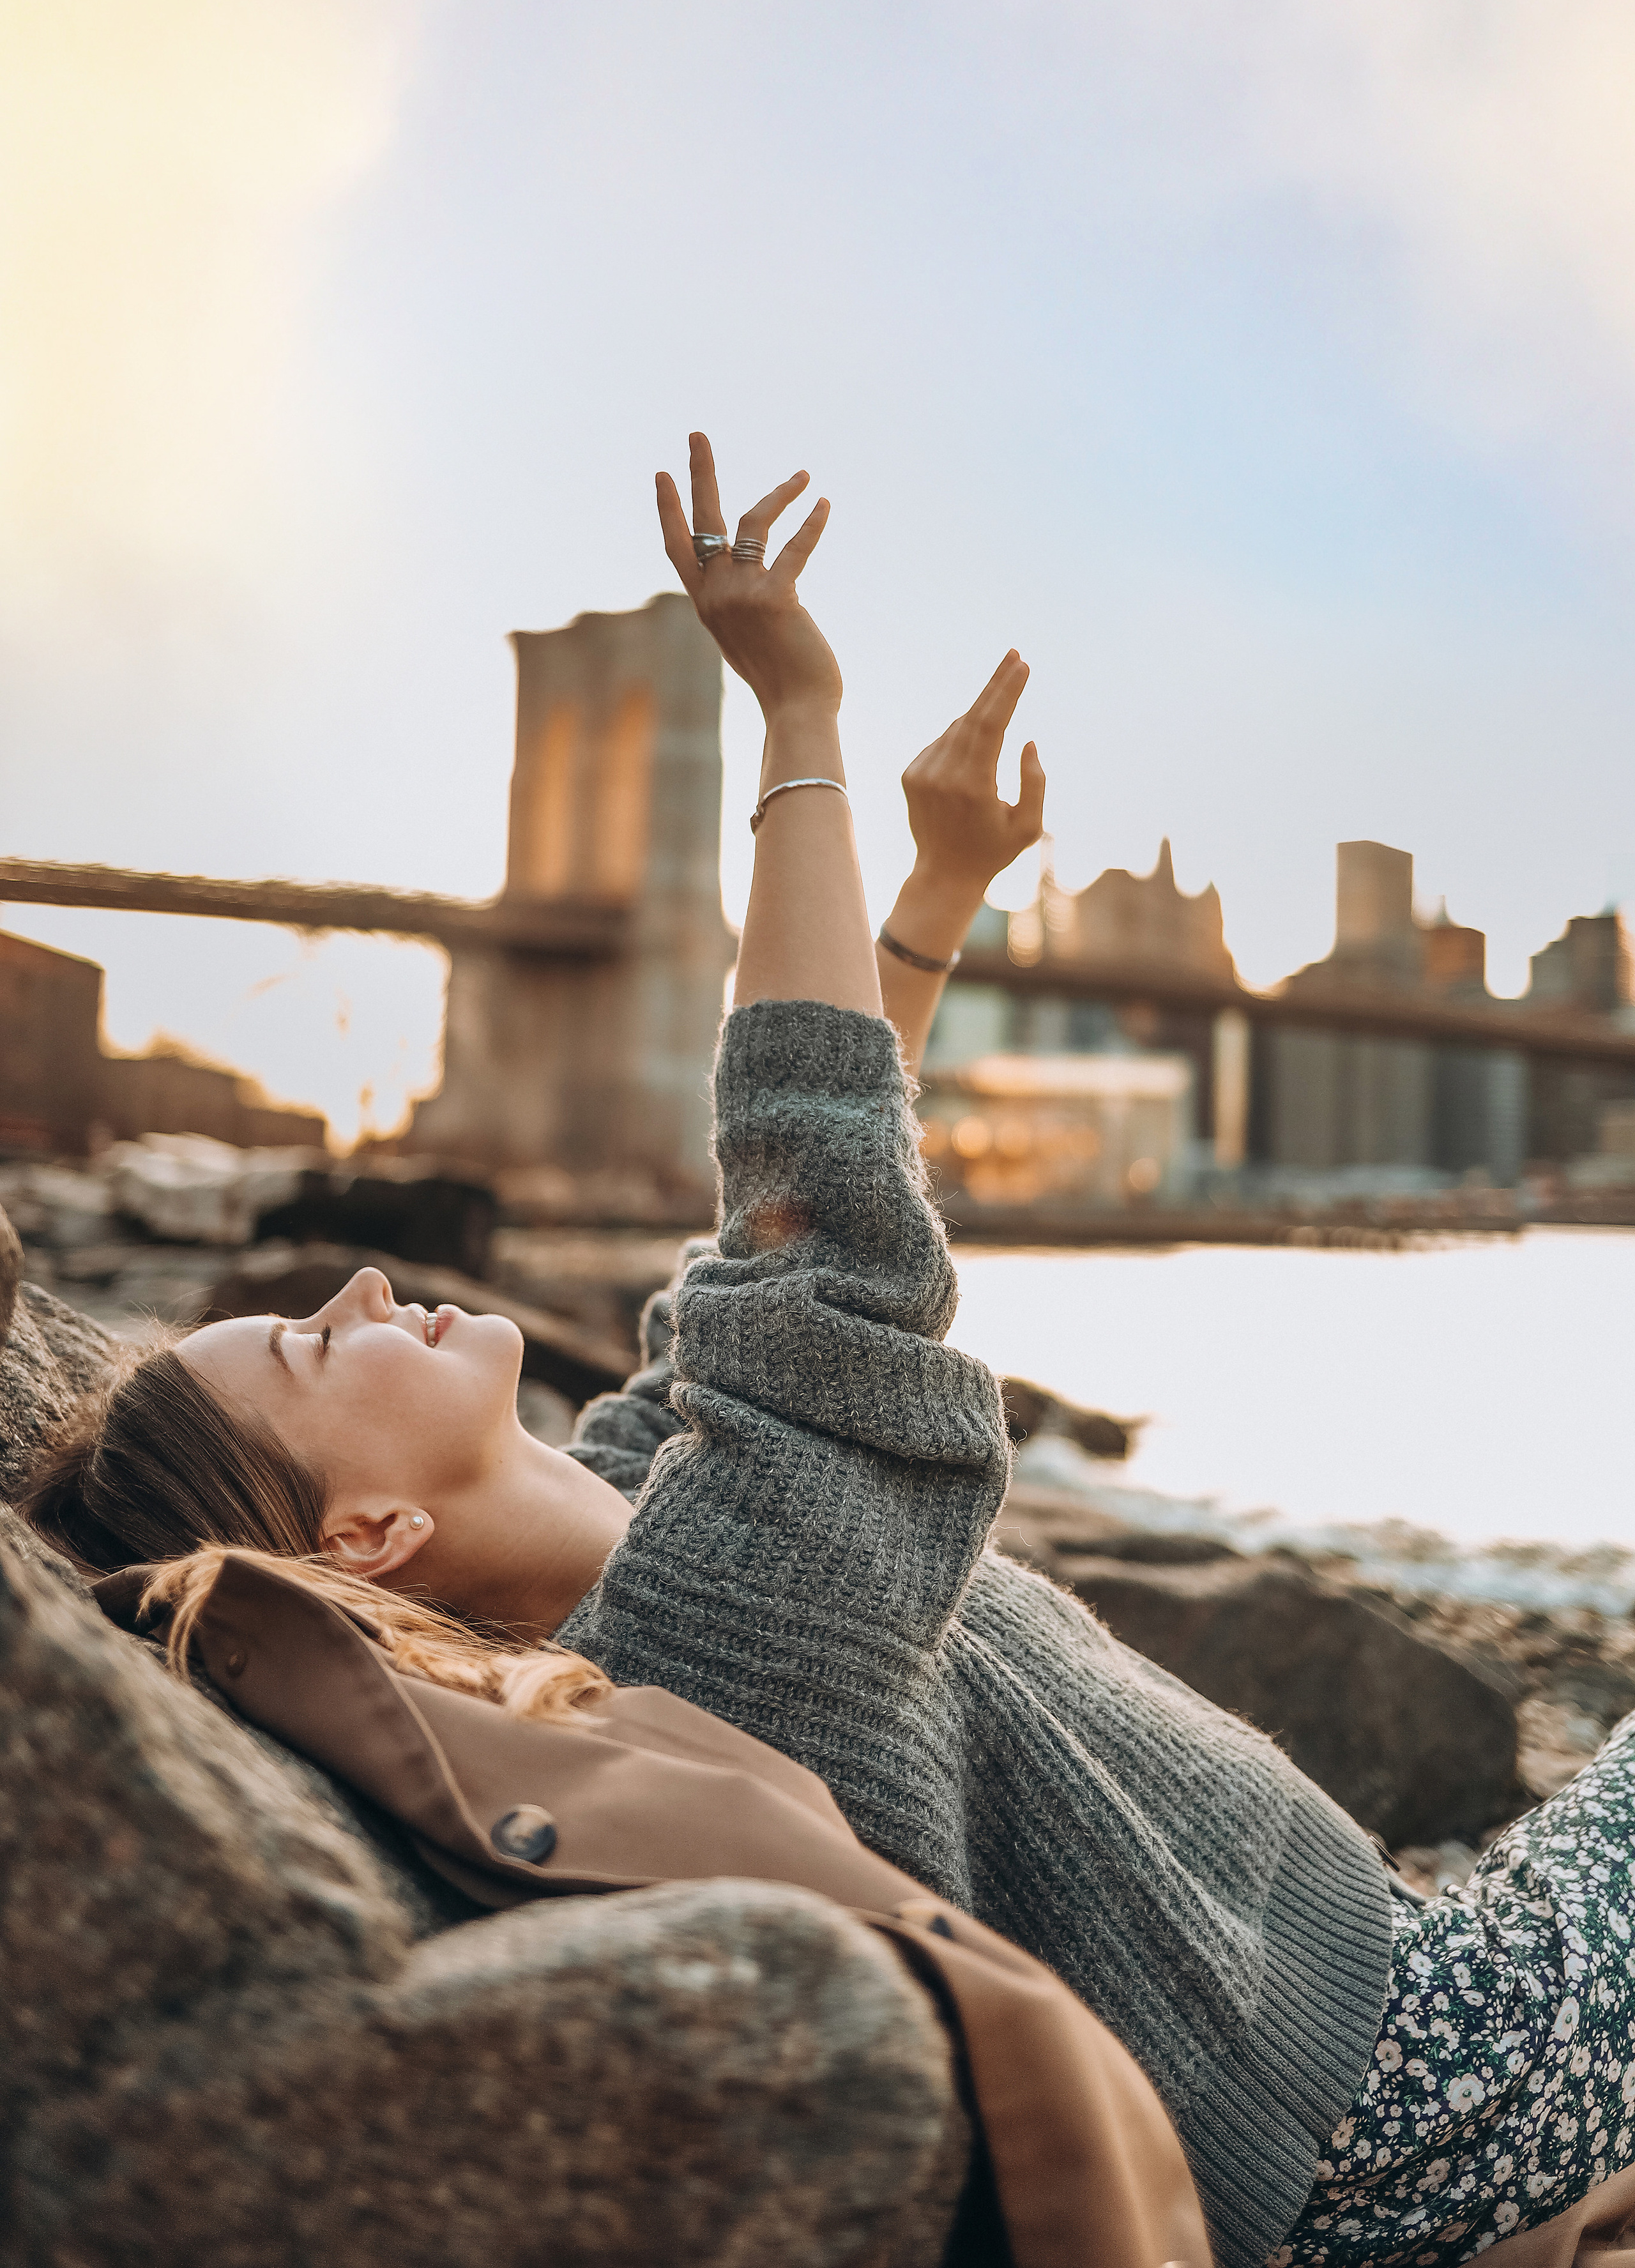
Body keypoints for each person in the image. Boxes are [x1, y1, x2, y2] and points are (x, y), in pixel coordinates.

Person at [24, 438, 1632, 2268]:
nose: (368, 1290)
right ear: (372, 1538)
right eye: (318, 1349)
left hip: (1376, 2028)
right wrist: (799, 716)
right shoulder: (705, 1628)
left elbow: (762, 1262)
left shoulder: (642, 1503)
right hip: (1402, 2115)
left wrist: (933, 901)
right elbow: (822, 1208)